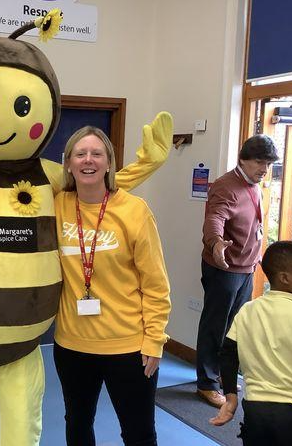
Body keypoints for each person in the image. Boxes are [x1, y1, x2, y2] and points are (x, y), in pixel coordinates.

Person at [53, 126, 171, 446]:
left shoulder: (134, 210)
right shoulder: (57, 205)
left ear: (109, 163)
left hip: (129, 347)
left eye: (97, 154)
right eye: (80, 154)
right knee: (77, 424)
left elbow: (156, 283)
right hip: (72, 345)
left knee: (138, 432)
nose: (88, 160)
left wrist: (154, 339)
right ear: (68, 163)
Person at [196, 134, 278, 408]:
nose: (264, 169)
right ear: (243, 159)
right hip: (224, 269)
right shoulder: (225, 186)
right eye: (259, 162)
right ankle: (206, 384)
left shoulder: (254, 186)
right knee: (215, 325)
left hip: (246, 268)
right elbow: (214, 219)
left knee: (234, 326)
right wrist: (216, 243)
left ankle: (221, 373)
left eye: (268, 164)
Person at [209, 240, 292, 446]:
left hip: (256, 409)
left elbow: (228, 355)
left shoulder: (247, 310)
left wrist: (230, 399)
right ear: (285, 278)